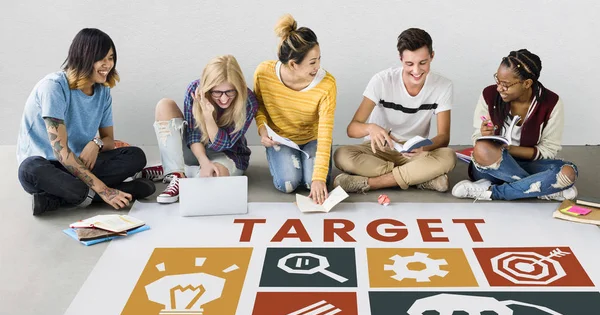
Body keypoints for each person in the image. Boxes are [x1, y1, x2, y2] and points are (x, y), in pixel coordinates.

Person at [17, 28, 154, 216]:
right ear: (84, 57)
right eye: (102, 58)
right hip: (48, 167)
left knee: (136, 156)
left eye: (111, 58)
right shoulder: (54, 87)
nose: (108, 65)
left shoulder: (103, 91)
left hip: (80, 164)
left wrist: (95, 144)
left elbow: (108, 139)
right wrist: (105, 190)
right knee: (29, 169)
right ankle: (119, 192)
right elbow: (61, 153)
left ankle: (58, 198)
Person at [333, 28, 456, 194]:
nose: (416, 71)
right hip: (379, 151)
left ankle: (370, 183)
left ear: (432, 56)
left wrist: (423, 149)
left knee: (448, 156)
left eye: (423, 63)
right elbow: (352, 129)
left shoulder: (443, 86)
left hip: (415, 154)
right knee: (341, 154)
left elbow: (444, 137)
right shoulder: (382, 81)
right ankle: (420, 179)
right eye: (409, 64)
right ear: (400, 59)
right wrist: (371, 128)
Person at [451, 49, 578, 201]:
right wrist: (485, 136)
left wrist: (511, 149)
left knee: (568, 172)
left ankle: (491, 191)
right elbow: (477, 137)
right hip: (493, 167)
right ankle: (542, 188)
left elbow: (548, 149)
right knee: (482, 149)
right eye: (497, 80)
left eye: (505, 84)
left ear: (527, 83)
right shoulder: (489, 95)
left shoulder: (551, 103)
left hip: (530, 164)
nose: (499, 88)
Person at [141, 55, 258, 203]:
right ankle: (177, 173)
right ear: (208, 88)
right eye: (217, 92)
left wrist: (208, 116)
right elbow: (193, 135)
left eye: (230, 91)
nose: (224, 99)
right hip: (196, 149)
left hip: (228, 154)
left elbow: (223, 144)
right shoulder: (194, 90)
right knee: (164, 105)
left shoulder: (248, 101)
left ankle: (174, 168)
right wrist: (203, 161)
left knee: (210, 181)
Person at [254, 14, 337, 205]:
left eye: (319, 59)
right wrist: (262, 129)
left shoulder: (327, 84)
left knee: (313, 183)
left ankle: (310, 170)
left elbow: (325, 132)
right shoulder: (264, 73)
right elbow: (259, 107)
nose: (318, 66)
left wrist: (317, 178)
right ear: (293, 64)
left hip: (312, 138)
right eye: (312, 62)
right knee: (288, 184)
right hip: (282, 138)